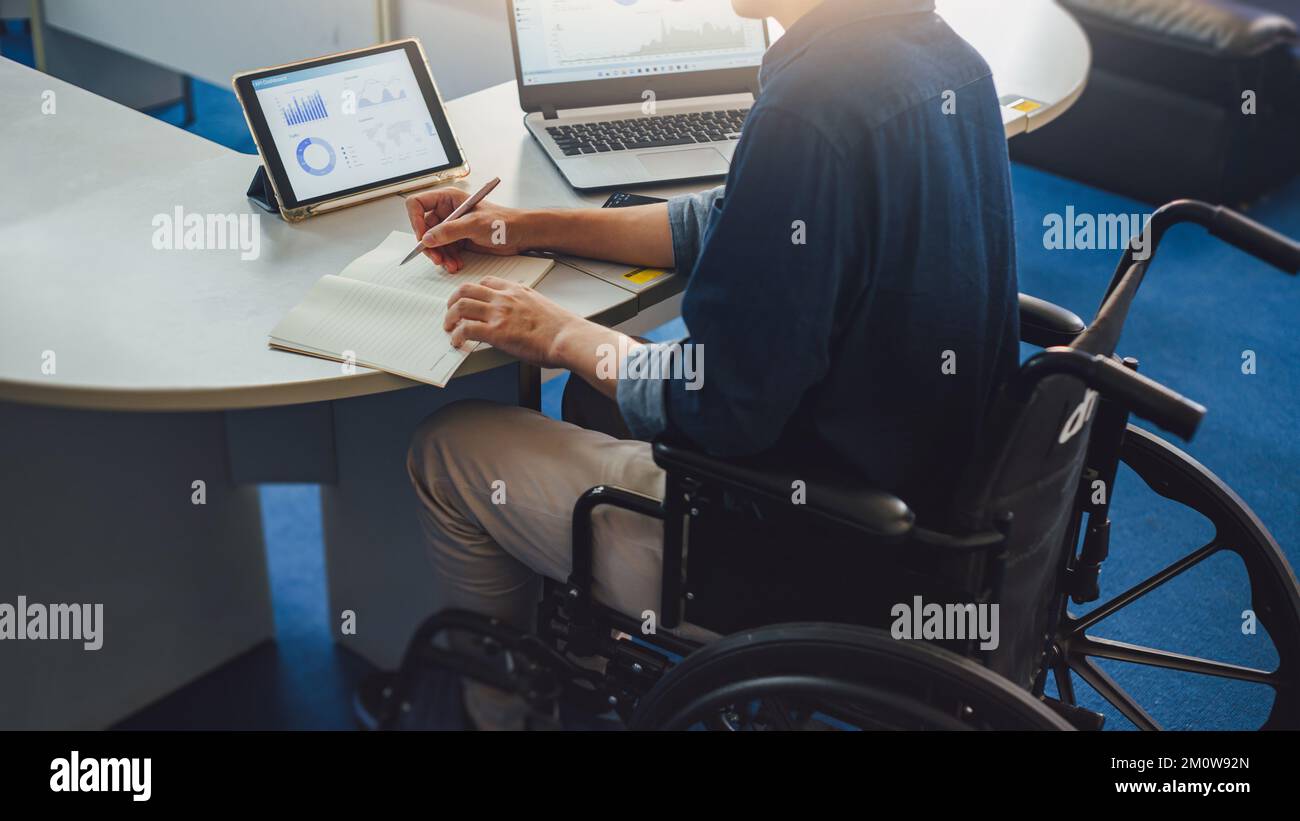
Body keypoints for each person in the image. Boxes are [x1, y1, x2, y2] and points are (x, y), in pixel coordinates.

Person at [403, 0, 1019, 729]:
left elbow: (723, 406)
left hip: (798, 552)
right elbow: (729, 221)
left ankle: (500, 716)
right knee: (590, 402)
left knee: (448, 448)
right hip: (926, 498)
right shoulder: (945, 57)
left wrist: (559, 333)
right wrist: (526, 228)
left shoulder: (810, 109)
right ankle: (587, 667)